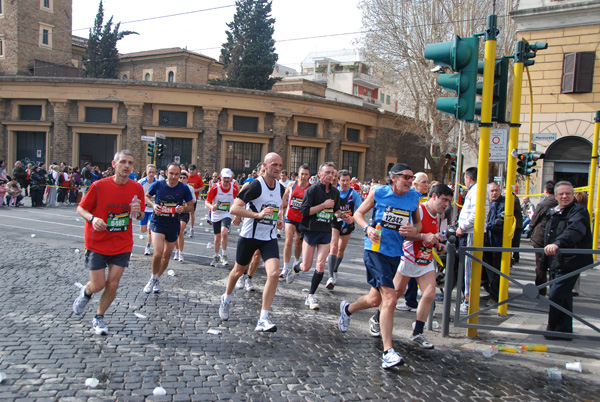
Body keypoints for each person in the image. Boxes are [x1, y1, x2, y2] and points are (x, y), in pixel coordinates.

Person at [338, 163, 421, 369]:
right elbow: (358, 214)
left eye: (412, 178)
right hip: (375, 250)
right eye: (406, 177)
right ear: (393, 177)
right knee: (390, 298)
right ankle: (388, 352)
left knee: (375, 299)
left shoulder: (413, 197)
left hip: (395, 252)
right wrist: (367, 228)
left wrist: (413, 228)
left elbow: (418, 224)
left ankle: (347, 309)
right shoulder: (379, 192)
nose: (410, 181)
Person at [72, 150, 145, 335]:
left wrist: (137, 213)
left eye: (130, 163)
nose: (126, 166)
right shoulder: (98, 186)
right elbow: (81, 209)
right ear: (114, 164)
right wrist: (92, 219)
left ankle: (99, 317)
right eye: (123, 162)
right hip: (97, 242)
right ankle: (86, 293)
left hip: (122, 243)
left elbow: (140, 215)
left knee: (112, 284)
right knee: (97, 285)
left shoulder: (136, 188)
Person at [371, 184, 453, 348]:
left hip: (425, 259)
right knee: (394, 295)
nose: (446, 204)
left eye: (449, 201)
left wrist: (436, 245)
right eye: (444, 200)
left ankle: (417, 333)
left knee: (430, 293)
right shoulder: (419, 210)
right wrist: (424, 236)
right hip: (408, 257)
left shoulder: (437, 216)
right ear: (434, 196)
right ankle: (376, 319)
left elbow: (430, 237)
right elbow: (404, 234)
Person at [218, 153, 284, 332]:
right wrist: (258, 215)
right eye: (273, 165)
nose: (277, 168)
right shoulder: (255, 186)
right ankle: (226, 298)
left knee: (274, 273)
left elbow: (278, 208)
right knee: (238, 271)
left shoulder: (281, 188)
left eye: (279, 165)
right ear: (265, 165)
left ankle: (263, 318)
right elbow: (234, 208)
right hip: (250, 236)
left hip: (268, 238)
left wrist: (279, 220)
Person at [542, 181, 592, 340]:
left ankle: (552, 328)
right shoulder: (555, 211)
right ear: (556, 196)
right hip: (557, 260)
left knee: (556, 295)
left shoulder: (579, 211)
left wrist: (558, 243)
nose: (564, 196)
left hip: (572, 260)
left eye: (568, 193)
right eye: (561, 194)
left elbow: (574, 230)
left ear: (573, 195)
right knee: (564, 296)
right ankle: (564, 331)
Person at [298, 162, 349, 310]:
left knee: (320, 264)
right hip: (311, 230)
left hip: (326, 231)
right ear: (319, 173)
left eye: (332, 173)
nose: (330, 175)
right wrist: (323, 205)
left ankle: (311, 296)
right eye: (327, 172)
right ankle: (296, 267)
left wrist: (343, 215)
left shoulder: (335, 192)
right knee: (306, 266)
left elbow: (336, 211)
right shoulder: (312, 190)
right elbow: (305, 212)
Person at [143, 163, 194, 294]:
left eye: (177, 174)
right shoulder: (158, 185)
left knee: (166, 257)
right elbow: (146, 197)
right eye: (171, 173)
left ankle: (156, 278)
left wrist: (183, 208)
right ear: (166, 173)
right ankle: (152, 278)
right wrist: (154, 205)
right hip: (158, 222)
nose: (174, 177)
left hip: (173, 224)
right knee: (158, 253)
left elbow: (191, 207)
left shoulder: (184, 188)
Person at [455, 167, 488, 315]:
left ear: (468, 178)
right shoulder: (477, 190)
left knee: (469, 268)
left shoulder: (477, 191)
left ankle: (468, 300)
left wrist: (463, 226)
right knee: (467, 267)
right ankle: (467, 298)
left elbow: (476, 214)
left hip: (470, 233)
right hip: (469, 231)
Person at [325, 169, 362, 289]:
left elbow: (361, 209)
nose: (345, 183)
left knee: (341, 249)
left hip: (348, 223)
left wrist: (353, 218)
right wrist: (335, 213)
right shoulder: (335, 192)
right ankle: (330, 277)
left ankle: (335, 270)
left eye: (347, 181)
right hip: (335, 222)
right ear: (339, 180)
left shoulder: (353, 194)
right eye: (343, 180)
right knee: (334, 246)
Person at [397, 172, 429, 312]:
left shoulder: (427, 200)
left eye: (428, 182)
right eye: (423, 182)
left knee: (425, 281)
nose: (426, 185)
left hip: (424, 243)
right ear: (415, 184)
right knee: (403, 280)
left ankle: (426, 307)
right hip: (409, 243)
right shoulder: (409, 198)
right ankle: (410, 300)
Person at [280, 164, 311, 281]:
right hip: (290, 216)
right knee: (288, 240)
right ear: (298, 173)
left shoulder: (310, 188)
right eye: (302, 174)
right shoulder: (291, 185)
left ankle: (296, 263)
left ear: (309, 176)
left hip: (302, 219)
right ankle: (285, 267)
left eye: (306, 174)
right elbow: (284, 198)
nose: (303, 176)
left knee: (298, 242)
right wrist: (281, 213)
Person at [205, 168, 239, 266]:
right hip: (216, 214)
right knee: (217, 237)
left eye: (228, 178)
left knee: (224, 232)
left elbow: (238, 201)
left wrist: (237, 214)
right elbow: (207, 201)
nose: (226, 180)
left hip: (227, 213)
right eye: (224, 178)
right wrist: (212, 207)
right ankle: (216, 256)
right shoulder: (215, 187)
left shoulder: (234, 188)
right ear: (221, 177)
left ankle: (224, 254)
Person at [529, 181, 557, 296]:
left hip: (541, 237)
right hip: (555, 237)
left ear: (545, 190)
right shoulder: (559, 203)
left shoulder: (543, 204)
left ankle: (540, 289)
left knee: (540, 265)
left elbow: (534, 220)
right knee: (553, 265)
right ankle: (553, 289)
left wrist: (530, 229)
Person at [483, 182, 505, 304]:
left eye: (496, 190)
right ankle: (491, 292)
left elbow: (500, 222)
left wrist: (486, 225)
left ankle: (495, 296)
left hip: (497, 242)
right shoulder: (486, 202)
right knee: (488, 269)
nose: (494, 193)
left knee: (496, 271)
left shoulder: (503, 203)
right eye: (491, 191)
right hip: (486, 241)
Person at [174, 170, 197, 262]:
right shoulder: (175, 187)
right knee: (176, 232)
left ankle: (181, 252)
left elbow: (194, 200)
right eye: (181, 177)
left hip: (185, 212)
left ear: (187, 179)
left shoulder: (189, 188)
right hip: (175, 211)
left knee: (180, 230)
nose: (182, 179)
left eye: (184, 178)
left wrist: (186, 204)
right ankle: (176, 250)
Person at [138, 164, 158, 256]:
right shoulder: (141, 182)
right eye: (150, 172)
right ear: (146, 172)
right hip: (143, 209)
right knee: (143, 229)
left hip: (153, 209)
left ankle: (147, 247)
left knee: (149, 228)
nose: (151, 174)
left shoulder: (157, 183)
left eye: (153, 172)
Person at [186, 164, 205, 237]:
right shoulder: (185, 176)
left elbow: (202, 187)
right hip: (184, 197)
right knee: (184, 212)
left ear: (195, 170)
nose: (191, 171)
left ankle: (191, 228)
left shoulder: (198, 177)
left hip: (193, 198)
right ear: (188, 170)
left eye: (193, 170)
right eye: (190, 170)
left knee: (191, 213)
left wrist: (195, 190)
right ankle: (184, 227)